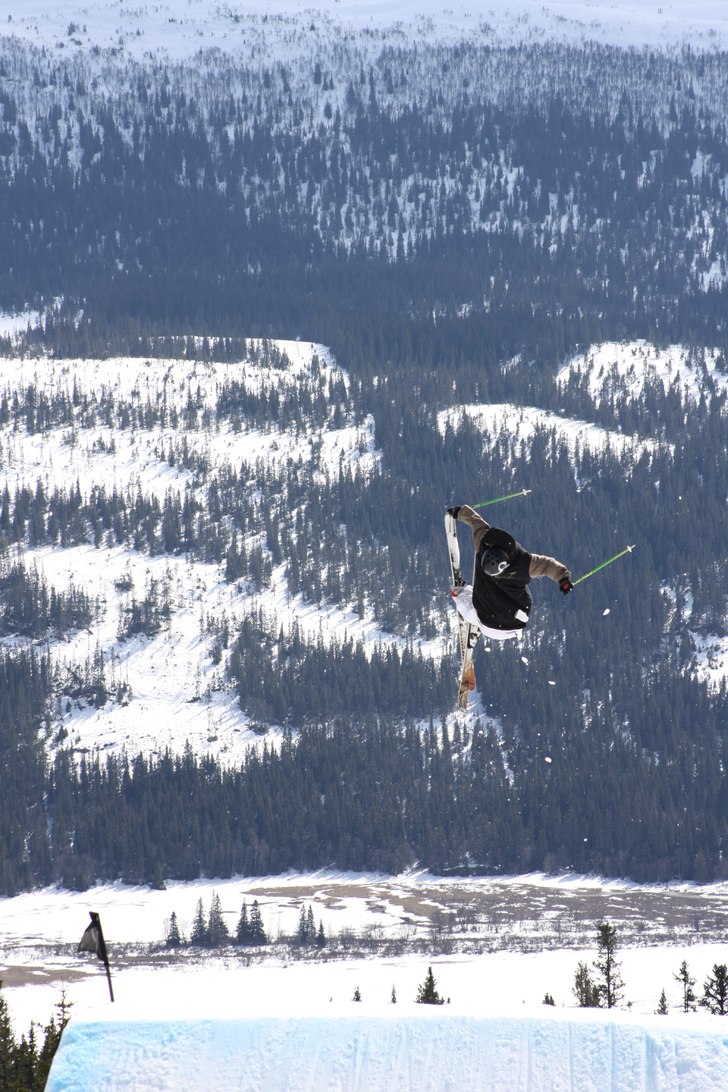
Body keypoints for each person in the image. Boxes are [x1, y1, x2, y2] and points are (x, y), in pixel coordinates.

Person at [447, 504, 572, 640]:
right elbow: (548, 565)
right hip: (516, 622)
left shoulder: (521, 561)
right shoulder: (525, 563)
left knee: (459, 596)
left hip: (487, 622)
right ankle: (469, 605)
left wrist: (460, 512)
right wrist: (562, 579)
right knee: (478, 603)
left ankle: (462, 595)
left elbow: (476, 522)